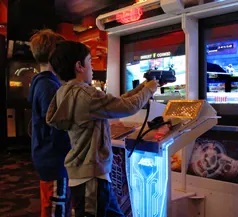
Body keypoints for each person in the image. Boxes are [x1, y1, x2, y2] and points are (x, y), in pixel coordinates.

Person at [46, 40, 159, 217]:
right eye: (90, 61)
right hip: (91, 176)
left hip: (87, 173)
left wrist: (142, 88)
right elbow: (127, 108)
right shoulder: (85, 95)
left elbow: (116, 103)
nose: (92, 67)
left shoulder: (65, 92)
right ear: (79, 66)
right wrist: (150, 90)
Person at [28, 29, 71, 217]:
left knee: (53, 204)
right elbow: (57, 126)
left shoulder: (41, 81)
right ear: (55, 54)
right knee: (56, 207)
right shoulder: (49, 86)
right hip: (55, 160)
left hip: (47, 156)